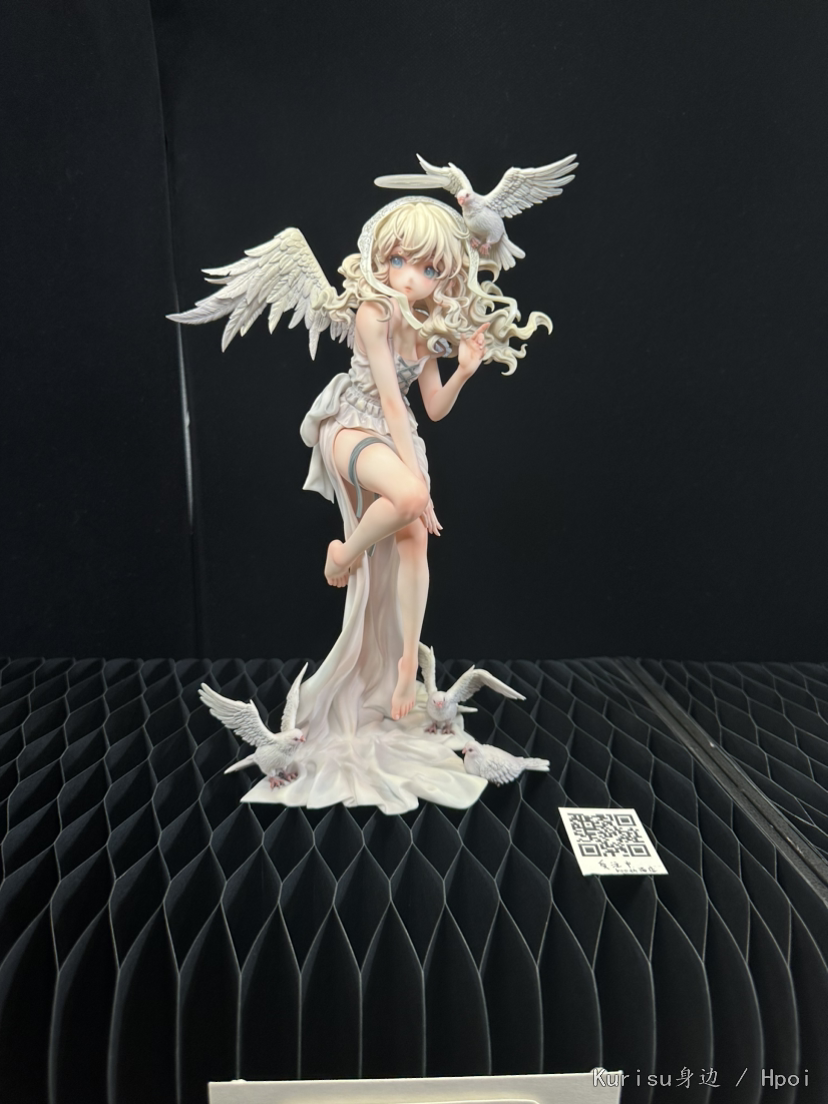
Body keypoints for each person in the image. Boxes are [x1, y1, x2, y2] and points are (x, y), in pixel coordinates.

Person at [171, 195, 550, 813]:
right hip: (351, 423)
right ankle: (342, 555)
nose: (410, 277)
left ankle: (403, 670)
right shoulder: (373, 312)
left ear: (447, 274)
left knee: (415, 543)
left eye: (427, 268)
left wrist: (463, 369)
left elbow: (430, 408)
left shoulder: (429, 326)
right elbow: (390, 403)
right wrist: (417, 486)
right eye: (400, 261)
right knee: (410, 498)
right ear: (380, 257)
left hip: (399, 435)